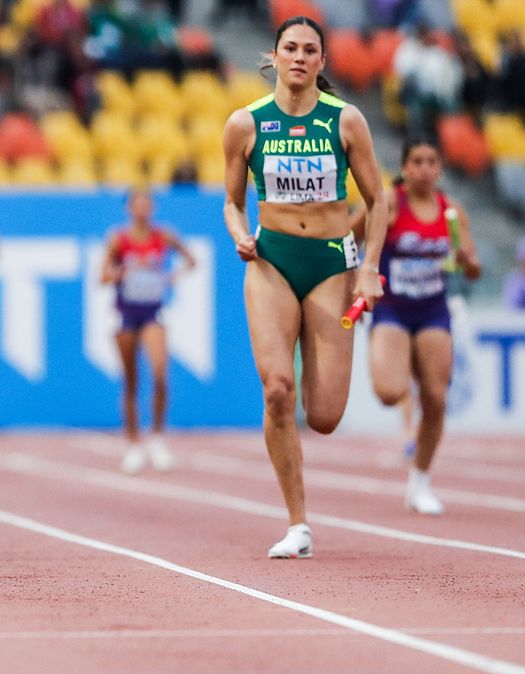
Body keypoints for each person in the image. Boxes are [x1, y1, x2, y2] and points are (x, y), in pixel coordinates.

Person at [221, 16, 389, 558]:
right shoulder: (246, 124)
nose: (299, 56)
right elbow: (229, 201)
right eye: (289, 47)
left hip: (333, 266)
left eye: (309, 49)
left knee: (324, 416)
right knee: (276, 390)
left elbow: (379, 201)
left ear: (322, 61)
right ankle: (298, 523)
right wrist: (239, 234)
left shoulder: (346, 121)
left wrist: (368, 267)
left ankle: (300, 509)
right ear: (273, 56)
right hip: (270, 262)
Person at [363, 140, 481, 516]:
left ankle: (420, 482)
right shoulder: (390, 202)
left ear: (440, 169)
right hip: (393, 309)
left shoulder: (452, 212)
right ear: (405, 168)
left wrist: (465, 260)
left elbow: (473, 269)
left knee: (436, 398)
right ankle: (397, 362)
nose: (425, 168)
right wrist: (360, 271)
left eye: (432, 161)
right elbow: (351, 233)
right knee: (388, 391)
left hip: (433, 310)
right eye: (417, 161)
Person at [100, 185, 195, 474]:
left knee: (159, 374)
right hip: (127, 313)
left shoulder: (162, 236)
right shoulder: (119, 239)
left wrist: (172, 277)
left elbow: (190, 259)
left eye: (146, 203)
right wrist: (124, 270)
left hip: (153, 311)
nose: (142, 208)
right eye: (137, 203)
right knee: (131, 380)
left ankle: (156, 438)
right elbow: (102, 276)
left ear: (151, 208)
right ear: (129, 208)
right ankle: (132, 443)